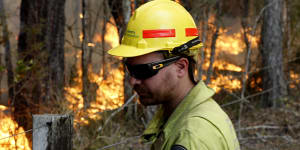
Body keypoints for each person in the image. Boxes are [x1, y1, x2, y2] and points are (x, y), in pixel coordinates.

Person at [108, 0, 240, 149]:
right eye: (130, 69)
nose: (133, 81)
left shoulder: (191, 137)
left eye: (143, 71)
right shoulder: (188, 114)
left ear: (181, 67)